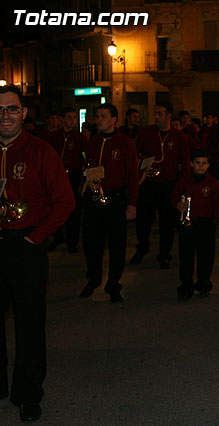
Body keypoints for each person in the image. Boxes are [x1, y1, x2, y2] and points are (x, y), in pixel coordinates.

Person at [0, 85, 75, 423]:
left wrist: (37, 238)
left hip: (25, 247)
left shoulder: (41, 151)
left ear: (24, 113)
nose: (5, 116)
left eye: (12, 109)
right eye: (0, 110)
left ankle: (29, 394)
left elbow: (65, 201)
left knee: (29, 325)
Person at [79, 103, 138, 302]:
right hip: (94, 199)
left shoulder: (125, 143)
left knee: (117, 244)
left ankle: (113, 282)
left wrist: (132, 203)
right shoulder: (92, 142)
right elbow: (86, 166)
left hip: (116, 199)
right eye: (97, 116)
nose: (99, 120)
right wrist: (87, 182)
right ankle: (93, 278)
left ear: (114, 119)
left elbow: (133, 175)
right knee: (91, 242)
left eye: (103, 116)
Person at [132, 102, 190, 268]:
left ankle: (164, 254)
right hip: (148, 184)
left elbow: (185, 164)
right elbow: (136, 154)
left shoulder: (179, 137)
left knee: (167, 223)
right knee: (143, 221)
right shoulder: (146, 133)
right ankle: (142, 247)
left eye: (159, 113)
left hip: (169, 186)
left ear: (169, 116)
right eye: (155, 113)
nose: (156, 116)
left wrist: (181, 188)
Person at [172, 149, 219, 300]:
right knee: (186, 257)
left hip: (206, 224)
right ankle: (186, 287)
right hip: (188, 223)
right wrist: (177, 205)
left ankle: (203, 284)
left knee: (205, 257)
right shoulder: (184, 180)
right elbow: (174, 196)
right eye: (197, 163)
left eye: (204, 163)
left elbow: (217, 204)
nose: (201, 166)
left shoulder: (212, 182)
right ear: (191, 164)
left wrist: (215, 222)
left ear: (208, 165)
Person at [48, 107, 86, 252]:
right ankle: (57, 236)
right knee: (55, 207)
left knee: (73, 209)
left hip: (74, 175)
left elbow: (84, 156)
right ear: (62, 119)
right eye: (69, 117)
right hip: (57, 176)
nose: (72, 120)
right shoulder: (55, 136)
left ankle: (72, 241)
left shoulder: (80, 137)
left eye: (74, 118)